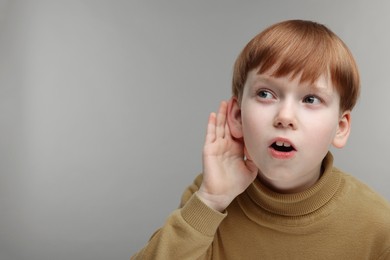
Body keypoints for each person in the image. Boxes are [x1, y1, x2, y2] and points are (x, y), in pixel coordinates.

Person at [131, 20, 390, 259]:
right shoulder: (208, 200)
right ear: (237, 115)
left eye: (310, 99)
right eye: (266, 94)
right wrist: (210, 201)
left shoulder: (378, 227)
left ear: (340, 128)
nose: (285, 116)